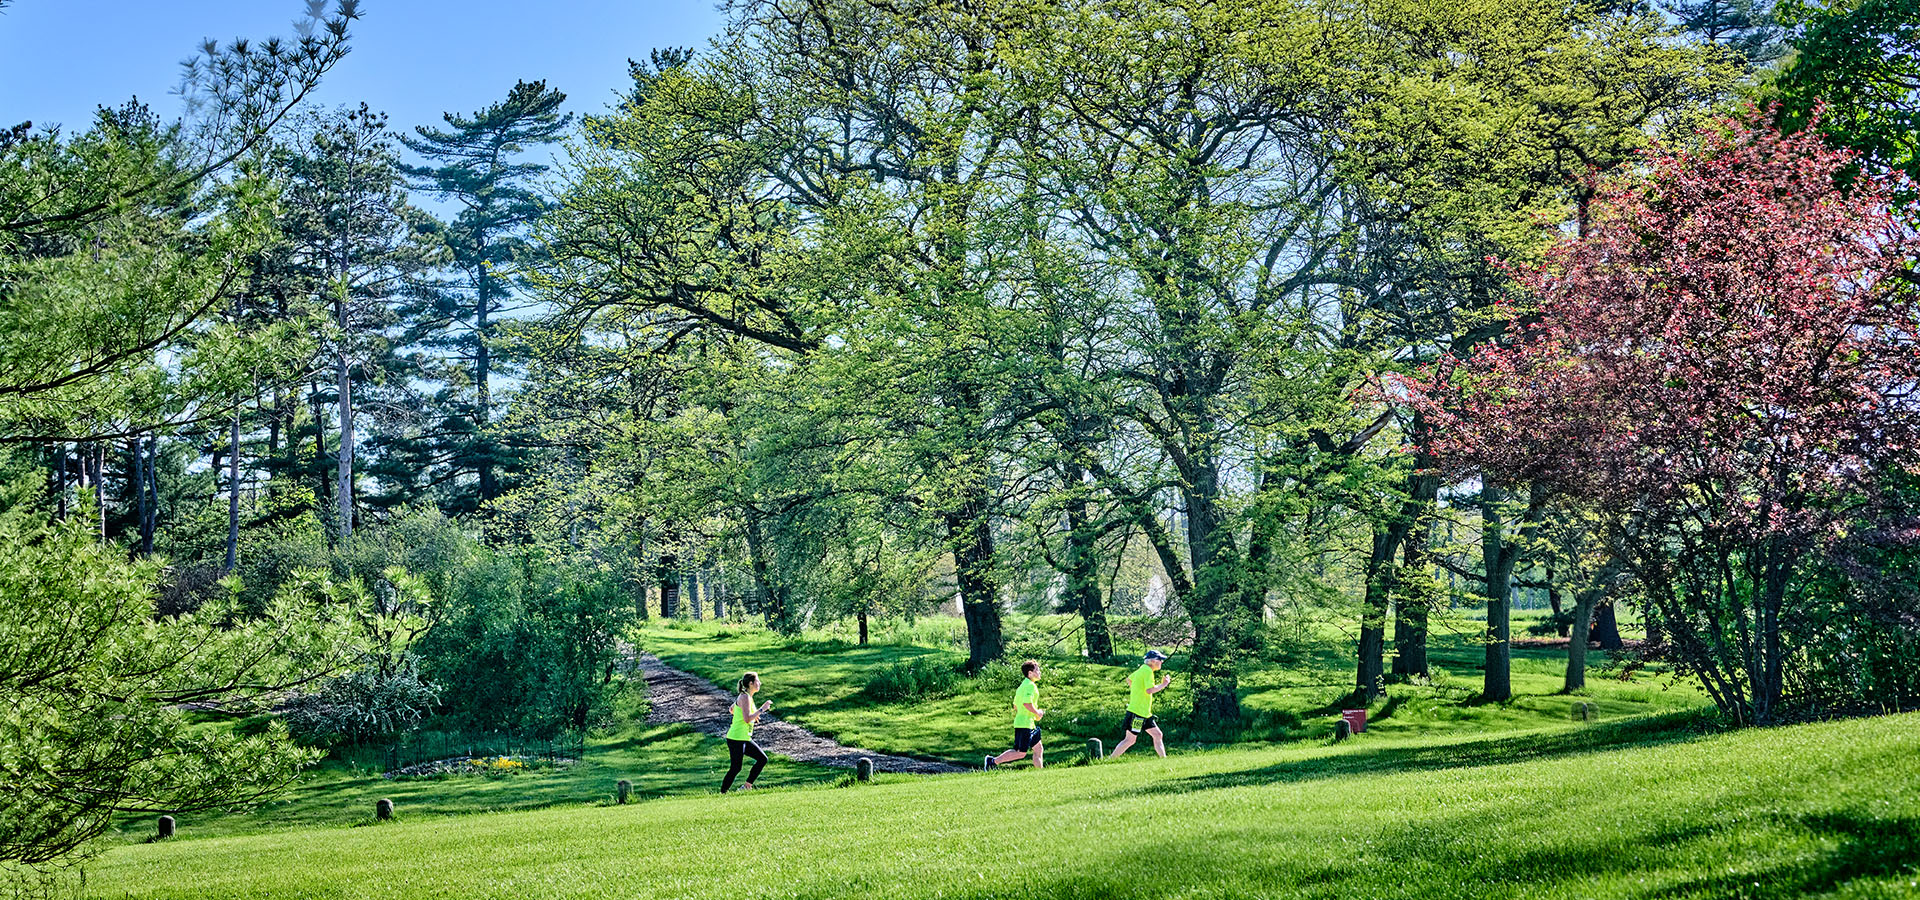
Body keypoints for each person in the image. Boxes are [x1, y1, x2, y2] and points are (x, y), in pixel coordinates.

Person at [1109, 650, 1171, 759]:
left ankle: (1164, 760)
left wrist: (1137, 690)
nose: (1161, 662)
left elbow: (1129, 679)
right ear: (1153, 661)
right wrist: (1164, 684)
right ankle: (1110, 759)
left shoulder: (1142, 669)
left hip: (1145, 713)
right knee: (1130, 740)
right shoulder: (1147, 671)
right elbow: (1149, 690)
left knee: (1158, 735)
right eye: (1160, 660)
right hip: (1138, 713)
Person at [987, 660, 1044, 770]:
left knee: (1038, 748)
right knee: (1020, 753)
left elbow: (1015, 706)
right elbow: (1027, 703)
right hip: (1024, 724)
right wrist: (1038, 713)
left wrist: (1032, 715)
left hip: (1028, 723)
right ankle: (992, 761)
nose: (1040, 672)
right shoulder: (1030, 686)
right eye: (1037, 670)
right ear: (1030, 673)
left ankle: (1040, 773)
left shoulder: (1022, 686)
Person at [722, 671, 773, 793]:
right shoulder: (745, 697)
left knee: (762, 759)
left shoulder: (747, 696)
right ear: (751, 683)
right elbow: (746, 718)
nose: (760, 683)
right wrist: (762, 709)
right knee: (736, 768)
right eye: (757, 681)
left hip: (744, 737)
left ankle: (747, 786)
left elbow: (731, 709)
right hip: (736, 738)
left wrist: (752, 715)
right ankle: (722, 793)